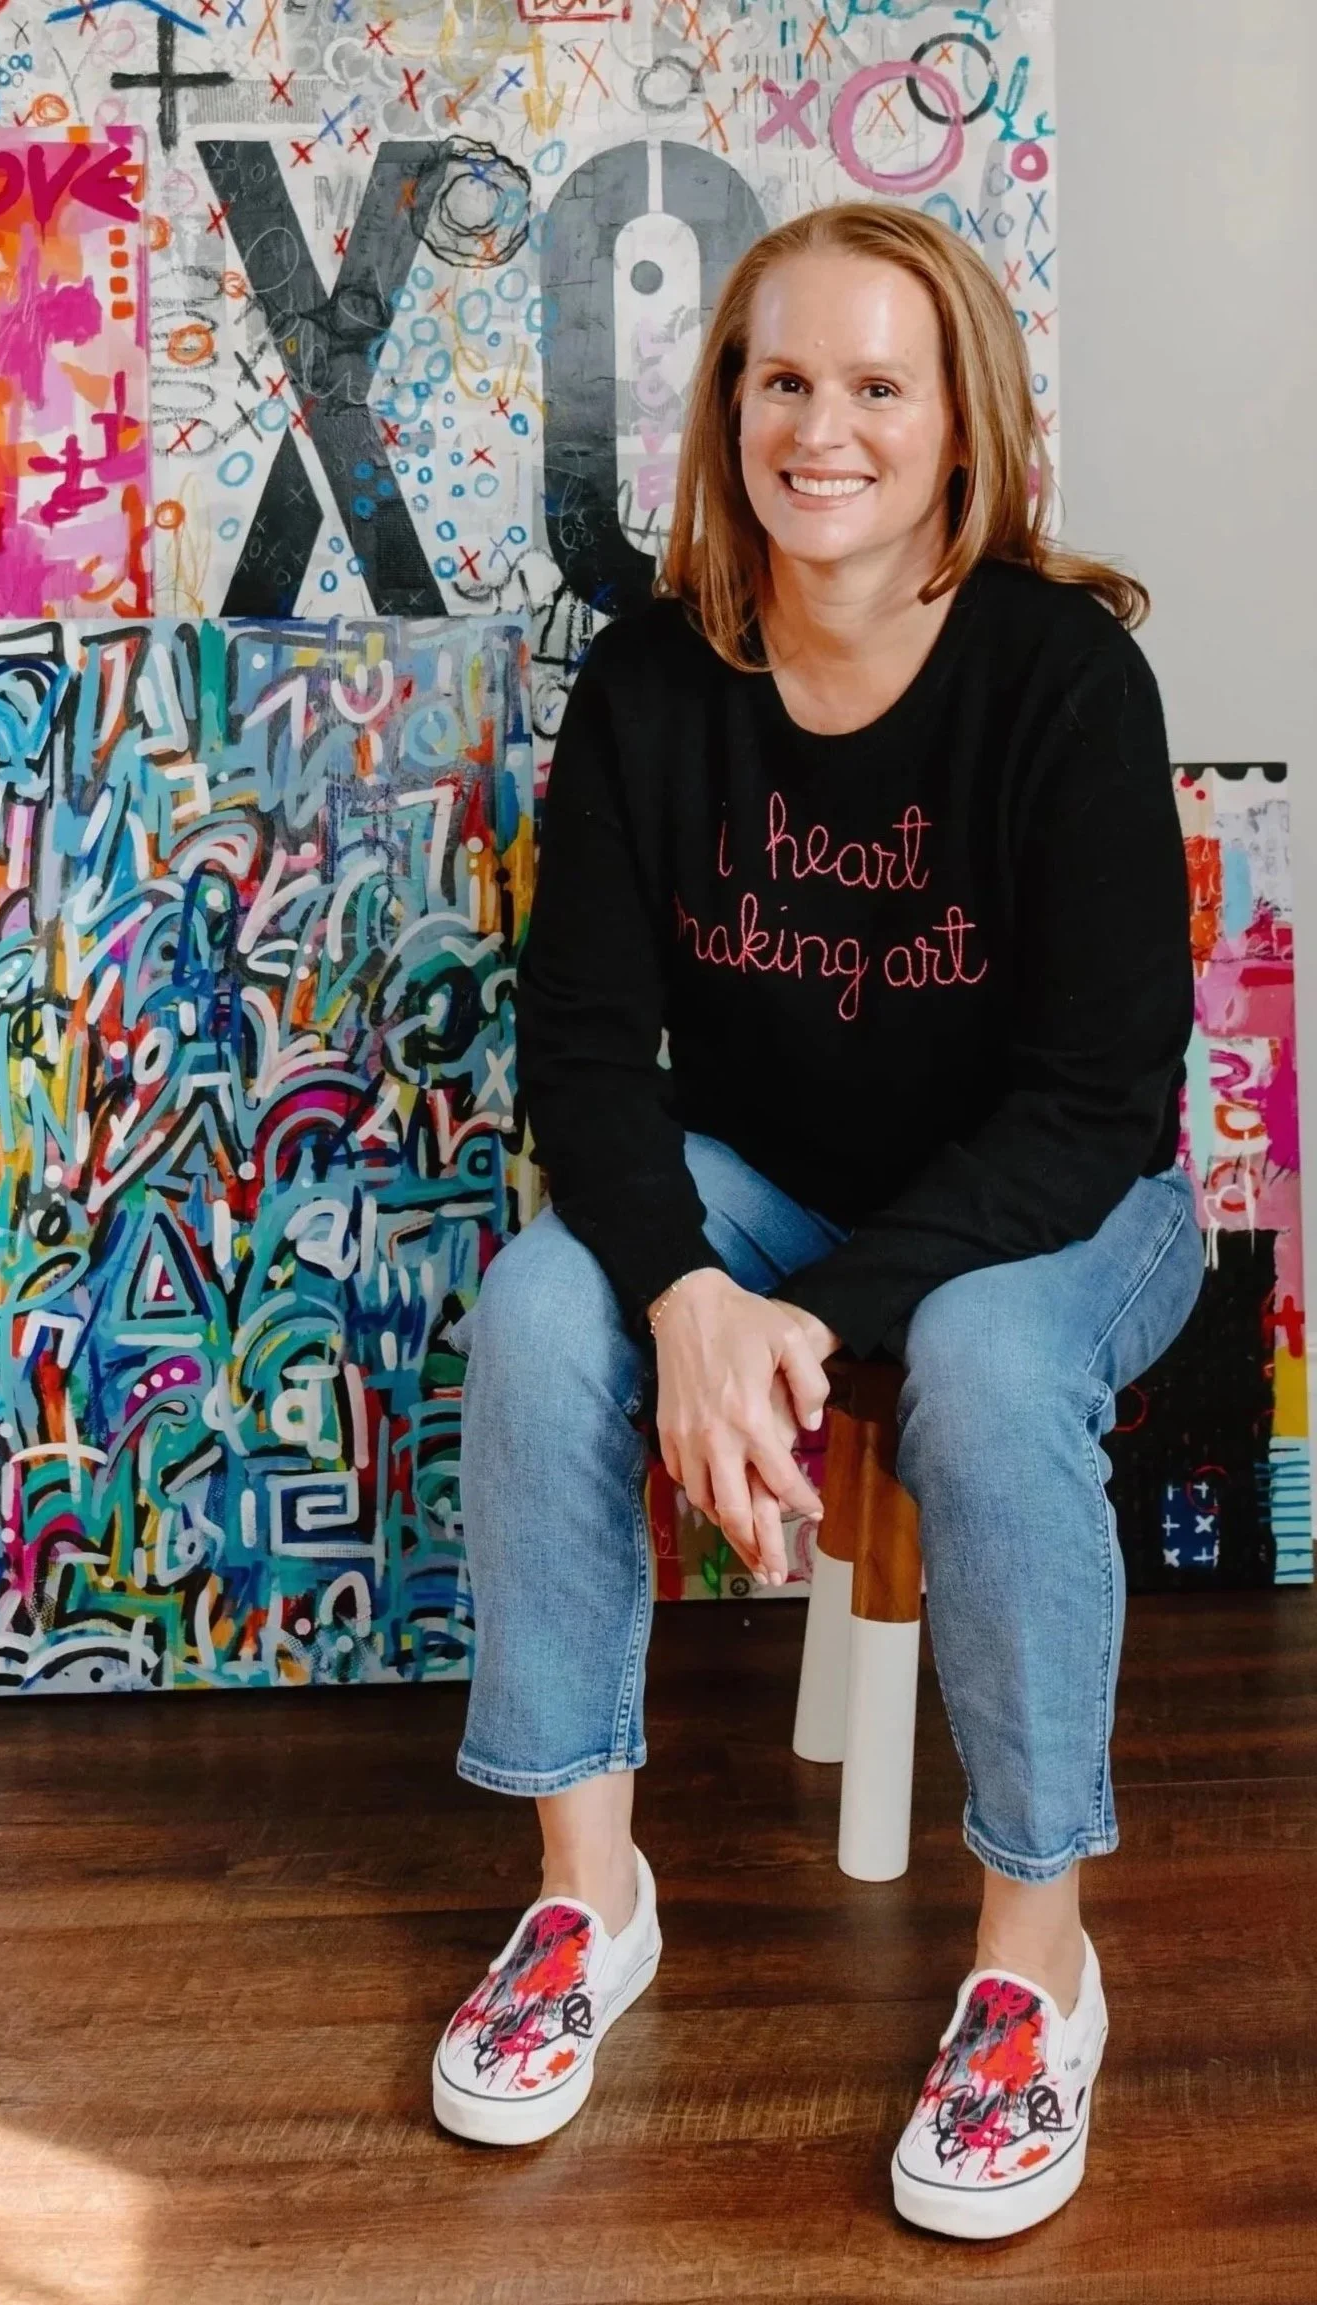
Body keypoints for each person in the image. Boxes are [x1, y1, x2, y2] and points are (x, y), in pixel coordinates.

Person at [429, 200, 1206, 2241]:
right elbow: (586, 1057)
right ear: (730, 406)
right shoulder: (654, 684)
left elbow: (1098, 1105)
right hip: (765, 1198)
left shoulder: (1063, 683)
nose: (823, 427)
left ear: (963, 427)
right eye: (785, 380)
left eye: (878, 384)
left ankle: (1037, 1965)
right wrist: (686, 1288)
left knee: (981, 1350)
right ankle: (588, 1908)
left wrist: (798, 1322)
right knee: (537, 1307)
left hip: (1072, 1214)